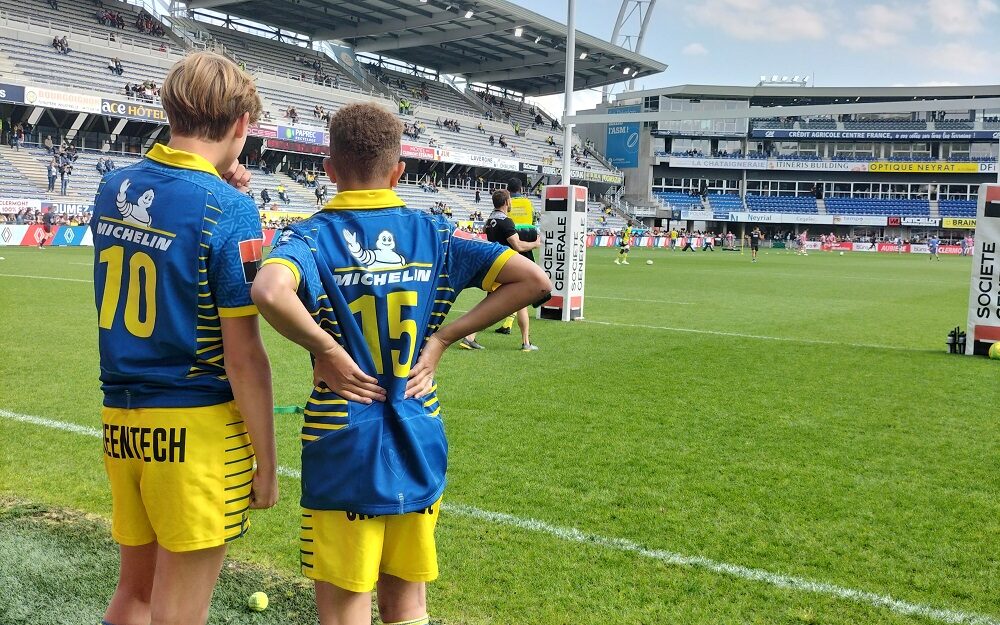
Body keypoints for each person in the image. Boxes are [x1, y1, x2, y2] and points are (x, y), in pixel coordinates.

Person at [250, 102, 551, 625]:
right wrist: (442, 339)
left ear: (328, 169)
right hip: (418, 430)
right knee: (408, 604)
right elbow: (535, 282)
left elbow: (270, 290)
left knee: (346, 606)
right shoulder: (433, 234)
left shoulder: (311, 235)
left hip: (342, 437)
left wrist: (326, 350)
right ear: (399, 172)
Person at [90, 52, 277, 625]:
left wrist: (217, 180)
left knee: (135, 595)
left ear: (170, 108)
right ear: (242, 125)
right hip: (194, 431)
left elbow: (171, 206)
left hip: (122, 424)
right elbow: (244, 355)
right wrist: (267, 463)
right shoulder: (231, 209)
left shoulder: (111, 186)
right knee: (179, 613)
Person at [459, 189, 544, 352]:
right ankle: (525, 343)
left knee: (501, 304)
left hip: (494, 266)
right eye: (510, 200)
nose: (511, 202)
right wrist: (535, 243)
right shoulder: (506, 221)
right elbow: (517, 245)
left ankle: (470, 337)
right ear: (506, 202)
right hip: (508, 267)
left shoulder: (490, 220)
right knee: (515, 303)